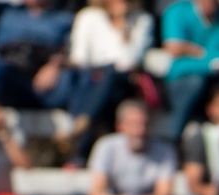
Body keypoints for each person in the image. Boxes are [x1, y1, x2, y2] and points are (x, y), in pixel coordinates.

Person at [64, 0, 154, 167]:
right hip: (92, 78)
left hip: (122, 81)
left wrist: (122, 28)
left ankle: (81, 128)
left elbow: (129, 61)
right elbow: (79, 58)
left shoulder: (142, 20)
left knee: (111, 76)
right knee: (96, 83)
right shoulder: (88, 17)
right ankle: (83, 139)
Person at [160, 0, 219, 140]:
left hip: (218, 79)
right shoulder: (176, 12)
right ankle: (175, 138)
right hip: (185, 82)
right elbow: (175, 51)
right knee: (193, 82)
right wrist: (218, 61)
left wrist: (195, 52)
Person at [0, 0, 74, 112]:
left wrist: (55, 65)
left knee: (67, 78)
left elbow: (75, 53)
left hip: (46, 82)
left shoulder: (65, 19)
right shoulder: (9, 15)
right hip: (14, 77)